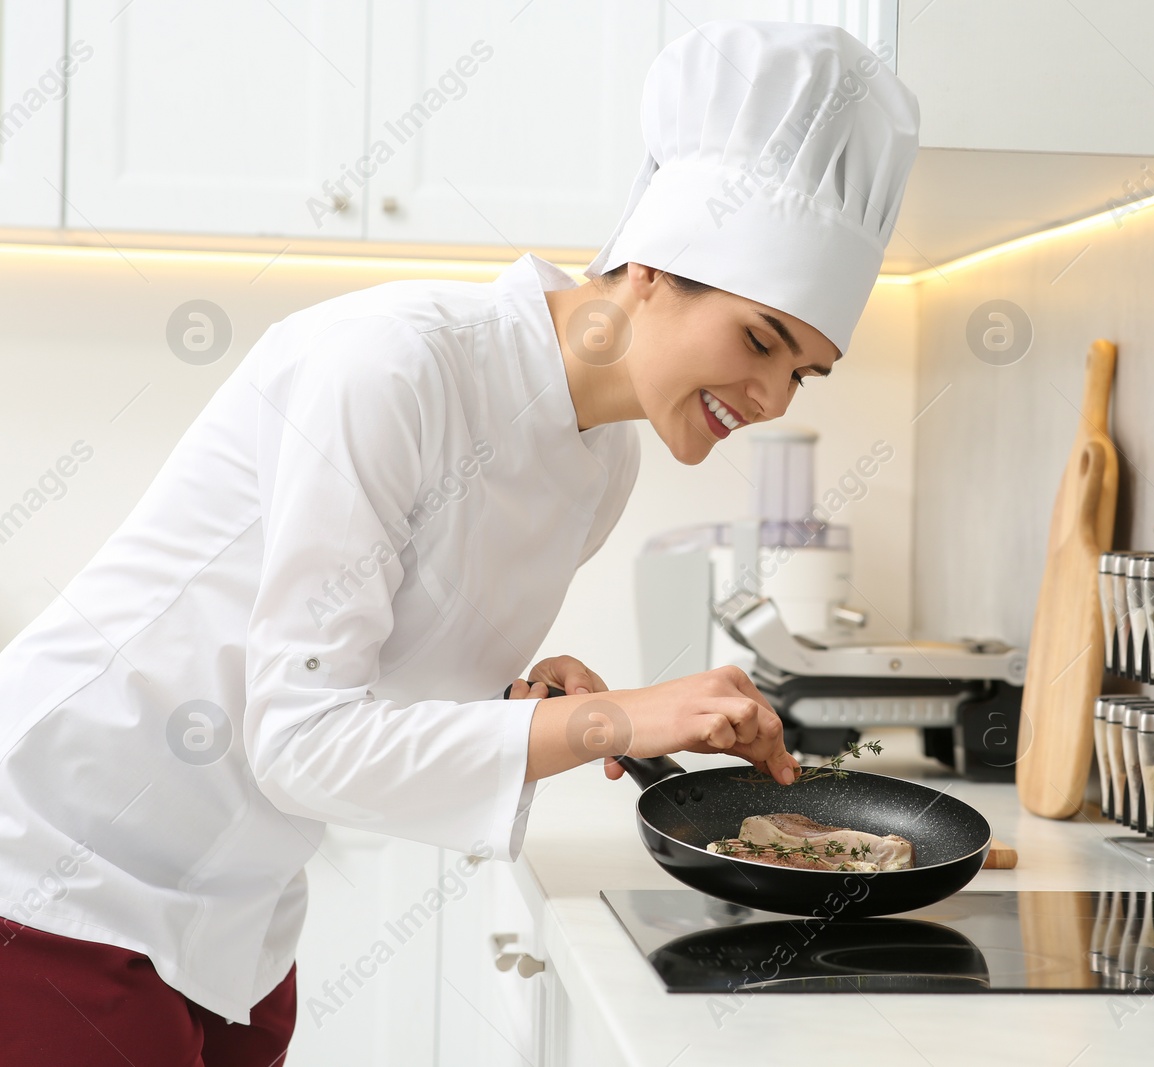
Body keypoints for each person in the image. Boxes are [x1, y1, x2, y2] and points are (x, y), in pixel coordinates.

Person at [0, 18, 918, 1065]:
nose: (767, 395)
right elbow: (299, 737)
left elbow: (364, 687)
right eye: (760, 338)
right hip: (58, 864)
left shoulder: (602, 464)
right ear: (651, 267)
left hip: (233, 905)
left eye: (803, 369)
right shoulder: (391, 366)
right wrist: (616, 717)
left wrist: (538, 713)